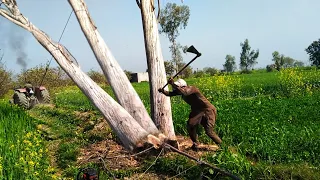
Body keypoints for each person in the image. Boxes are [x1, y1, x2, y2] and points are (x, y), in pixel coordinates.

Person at [158, 78, 222, 151]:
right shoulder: (181, 91)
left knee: (209, 131)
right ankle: (196, 144)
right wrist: (162, 91)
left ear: (183, 86)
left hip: (208, 110)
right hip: (197, 111)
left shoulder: (192, 89)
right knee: (190, 125)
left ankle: (222, 146)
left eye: (177, 86)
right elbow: (170, 94)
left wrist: (172, 84)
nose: (175, 88)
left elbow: (185, 92)